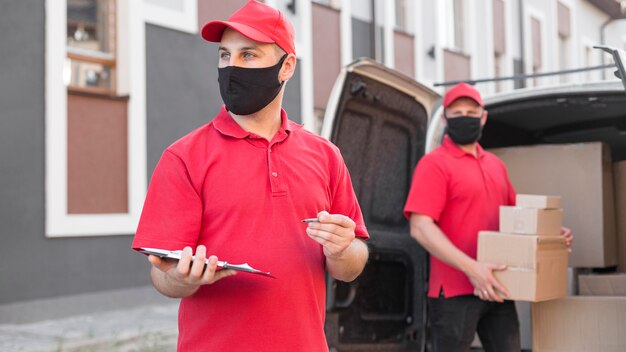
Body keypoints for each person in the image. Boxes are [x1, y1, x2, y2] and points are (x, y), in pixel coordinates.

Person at [131, 1, 369, 351]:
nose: (232, 67)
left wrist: (341, 249)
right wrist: (181, 278)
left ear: (286, 66)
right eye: (225, 56)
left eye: (249, 55)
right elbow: (161, 275)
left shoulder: (326, 155)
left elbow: (353, 264)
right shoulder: (183, 157)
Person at [403, 82, 573, 352]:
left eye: (471, 113)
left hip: (498, 284)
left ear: (483, 117)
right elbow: (420, 227)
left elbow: (517, 218)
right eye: (456, 113)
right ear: (446, 118)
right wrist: (473, 269)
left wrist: (552, 233)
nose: (464, 118)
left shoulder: (495, 165)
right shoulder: (434, 165)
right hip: (455, 291)